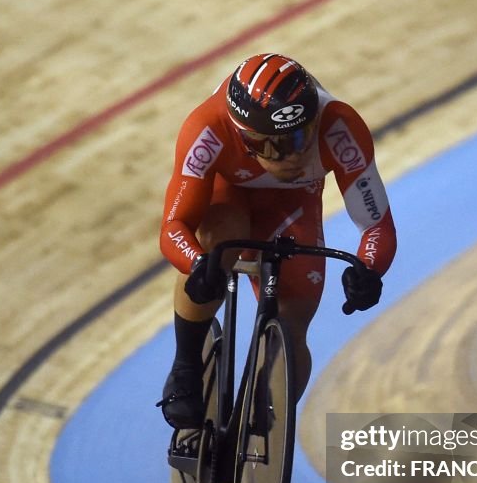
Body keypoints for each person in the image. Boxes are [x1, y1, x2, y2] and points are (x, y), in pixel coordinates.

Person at [158, 53, 397, 428]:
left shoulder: (340, 126)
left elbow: (377, 224)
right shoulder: (206, 127)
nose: (292, 157)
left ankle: (261, 426)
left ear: (315, 118)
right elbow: (175, 226)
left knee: (292, 320)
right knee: (220, 246)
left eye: (301, 137)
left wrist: (369, 269)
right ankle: (186, 366)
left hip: (292, 202)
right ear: (243, 135)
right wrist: (197, 264)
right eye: (272, 147)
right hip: (228, 192)